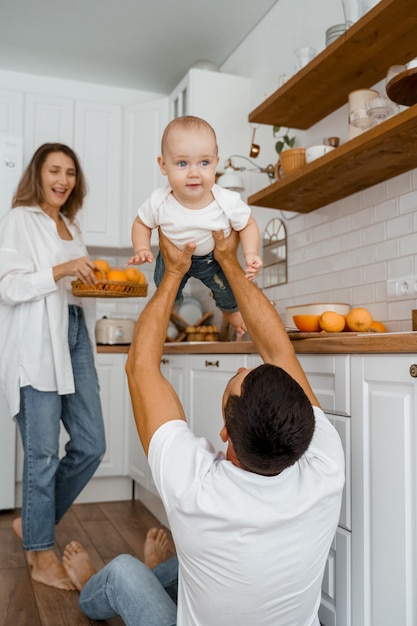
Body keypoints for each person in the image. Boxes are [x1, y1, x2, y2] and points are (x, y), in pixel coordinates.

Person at [66, 228, 344, 625]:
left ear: (226, 433)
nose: (245, 366)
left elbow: (141, 367)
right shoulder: (326, 464)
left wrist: (172, 273)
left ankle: (90, 584)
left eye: (240, 378)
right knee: (194, 563)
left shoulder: (195, 488)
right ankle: (164, 571)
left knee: (123, 573)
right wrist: (230, 261)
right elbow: (279, 349)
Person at [0, 143, 106, 590]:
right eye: (54, 171)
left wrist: (91, 282)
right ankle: (41, 556)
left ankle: (34, 524)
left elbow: (70, 289)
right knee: (41, 455)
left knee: (91, 444)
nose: (63, 180)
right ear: (37, 176)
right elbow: (8, 286)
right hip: (36, 343)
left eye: (69, 173)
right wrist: (63, 269)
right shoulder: (20, 219)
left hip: (75, 333)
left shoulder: (71, 224)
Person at [127, 115, 263, 336]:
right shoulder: (158, 200)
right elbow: (141, 223)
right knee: (165, 292)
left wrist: (251, 253)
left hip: (212, 261)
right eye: (182, 163)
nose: (194, 173)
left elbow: (247, 224)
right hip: (171, 258)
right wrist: (141, 248)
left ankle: (230, 313)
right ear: (164, 165)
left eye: (204, 163)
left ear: (216, 163)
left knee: (227, 292)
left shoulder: (225, 200)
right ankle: (171, 307)